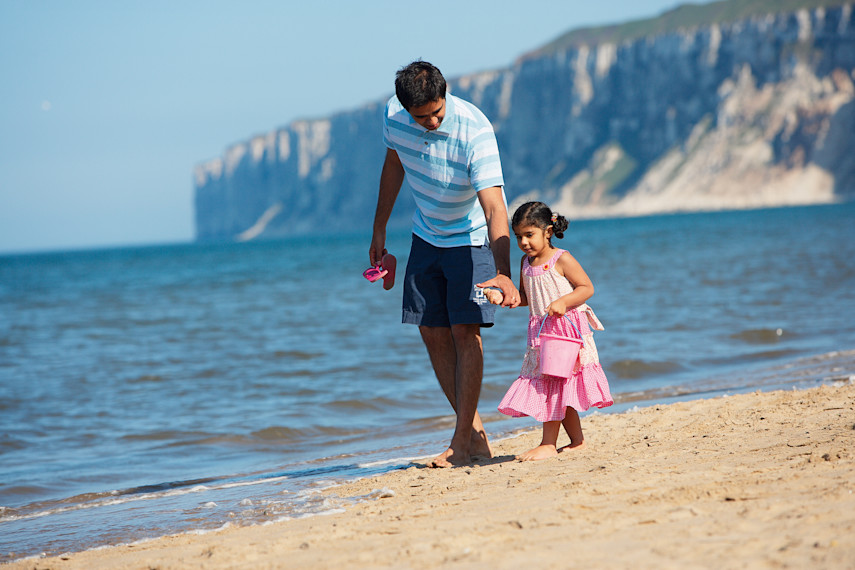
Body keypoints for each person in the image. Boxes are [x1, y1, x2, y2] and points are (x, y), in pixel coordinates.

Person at [369, 60, 520, 468]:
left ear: (445, 92)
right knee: (432, 331)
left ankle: (460, 442)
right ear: (405, 110)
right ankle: (474, 436)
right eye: (423, 117)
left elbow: (494, 207)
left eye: (438, 111)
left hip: (470, 239)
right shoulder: (393, 117)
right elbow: (394, 163)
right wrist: (379, 228)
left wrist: (503, 271)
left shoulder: (475, 130)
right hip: (425, 234)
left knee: (464, 330)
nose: (433, 121)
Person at [489, 201, 613, 461]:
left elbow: (586, 288)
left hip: (566, 331)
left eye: (529, 235)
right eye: (519, 236)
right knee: (558, 385)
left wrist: (563, 302)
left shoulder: (561, 259)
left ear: (547, 231)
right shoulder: (525, 263)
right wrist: (503, 298)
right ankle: (577, 442)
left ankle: (548, 443)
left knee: (554, 383)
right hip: (541, 332)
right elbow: (526, 297)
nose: (524, 242)